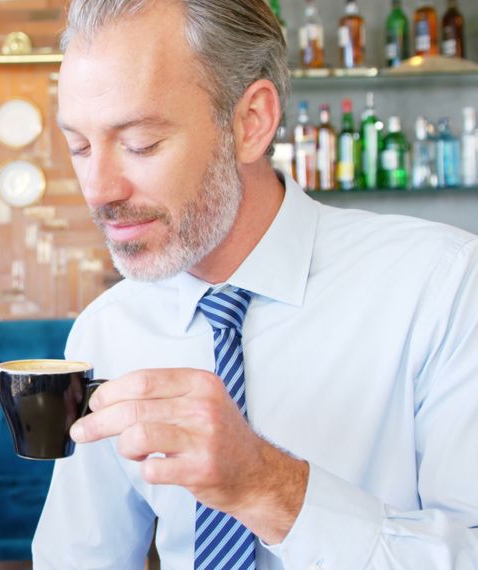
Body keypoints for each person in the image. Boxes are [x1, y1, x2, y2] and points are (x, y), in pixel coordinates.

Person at [33, 0, 478, 568]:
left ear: (251, 123)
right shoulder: (106, 330)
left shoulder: (443, 287)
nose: (98, 190)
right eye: (79, 147)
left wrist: (269, 488)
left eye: (141, 143)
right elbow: (80, 557)